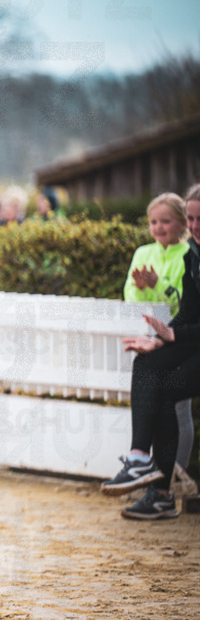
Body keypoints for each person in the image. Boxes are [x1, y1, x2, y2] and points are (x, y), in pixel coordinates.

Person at [103, 187, 200, 519]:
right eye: (191, 217)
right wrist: (164, 338)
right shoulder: (187, 254)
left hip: (186, 340)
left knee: (174, 399)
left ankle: (167, 479)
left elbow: (177, 308)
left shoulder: (187, 252)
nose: (194, 225)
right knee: (153, 372)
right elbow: (181, 308)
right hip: (180, 338)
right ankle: (149, 470)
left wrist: (171, 332)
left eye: (168, 221)